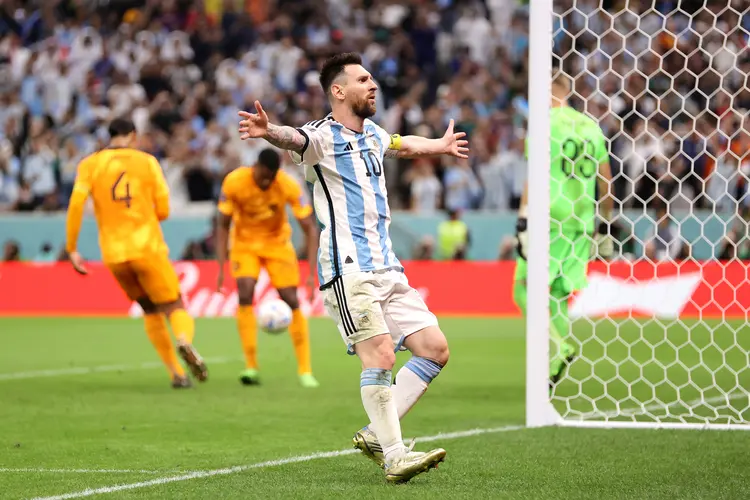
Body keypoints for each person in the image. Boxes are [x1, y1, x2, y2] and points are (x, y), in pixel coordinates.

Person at [237, 52, 468, 484]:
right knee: (380, 354)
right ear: (339, 91)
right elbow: (294, 139)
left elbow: (401, 144)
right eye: (364, 79)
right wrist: (270, 132)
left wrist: (438, 145)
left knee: (435, 349)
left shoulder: (374, 133)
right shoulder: (321, 137)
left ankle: (376, 434)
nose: (373, 84)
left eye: (373, 78)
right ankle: (395, 455)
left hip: (388, 268)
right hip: (349, 268)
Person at [65, 118, 208, 389]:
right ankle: (184, 341)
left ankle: (176, 373)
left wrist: (72, 249)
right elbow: (164, 210)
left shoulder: (90, 164)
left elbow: (75, 204)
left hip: (114, 254)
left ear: (110, 135)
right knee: (175, 305)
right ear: (132, 135)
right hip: (147, 248)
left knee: (149, 308)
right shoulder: (147, 162)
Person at [513, 70, 613, 391]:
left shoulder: (544, 125)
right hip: (583, 220)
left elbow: (534, 175)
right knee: (557, 292)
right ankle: (556, 360)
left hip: (549, 217)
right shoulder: (591, 126)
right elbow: (606, 181)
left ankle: (559, 346)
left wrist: (523, 218)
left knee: (522, 287)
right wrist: (606, 224)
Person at [216, 148, 320, 388]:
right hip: (244, 244)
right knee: (245, 292)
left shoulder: (287, 184)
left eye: (271, 177)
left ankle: (305, 370)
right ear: (256, 166)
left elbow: (310, 228)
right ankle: (251, 366)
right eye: (263, 176)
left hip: (277, 244)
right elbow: (222, 224)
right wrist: (221, 266)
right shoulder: (234, 181)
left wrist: (311, 273)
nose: (266, 181)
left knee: (291, 298)